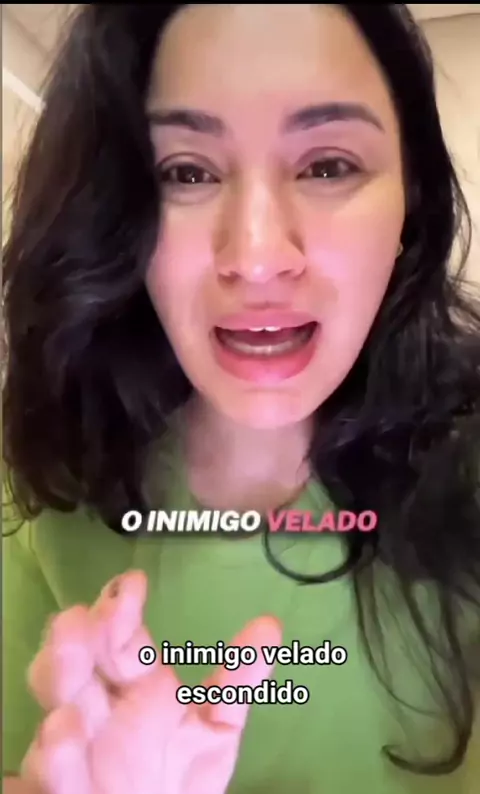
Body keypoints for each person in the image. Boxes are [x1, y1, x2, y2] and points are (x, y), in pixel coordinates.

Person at [2, 3, 480, 793]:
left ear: (412, 203)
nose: (256, 258)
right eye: (186, 173)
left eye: (327, 166)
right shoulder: (37, 482)